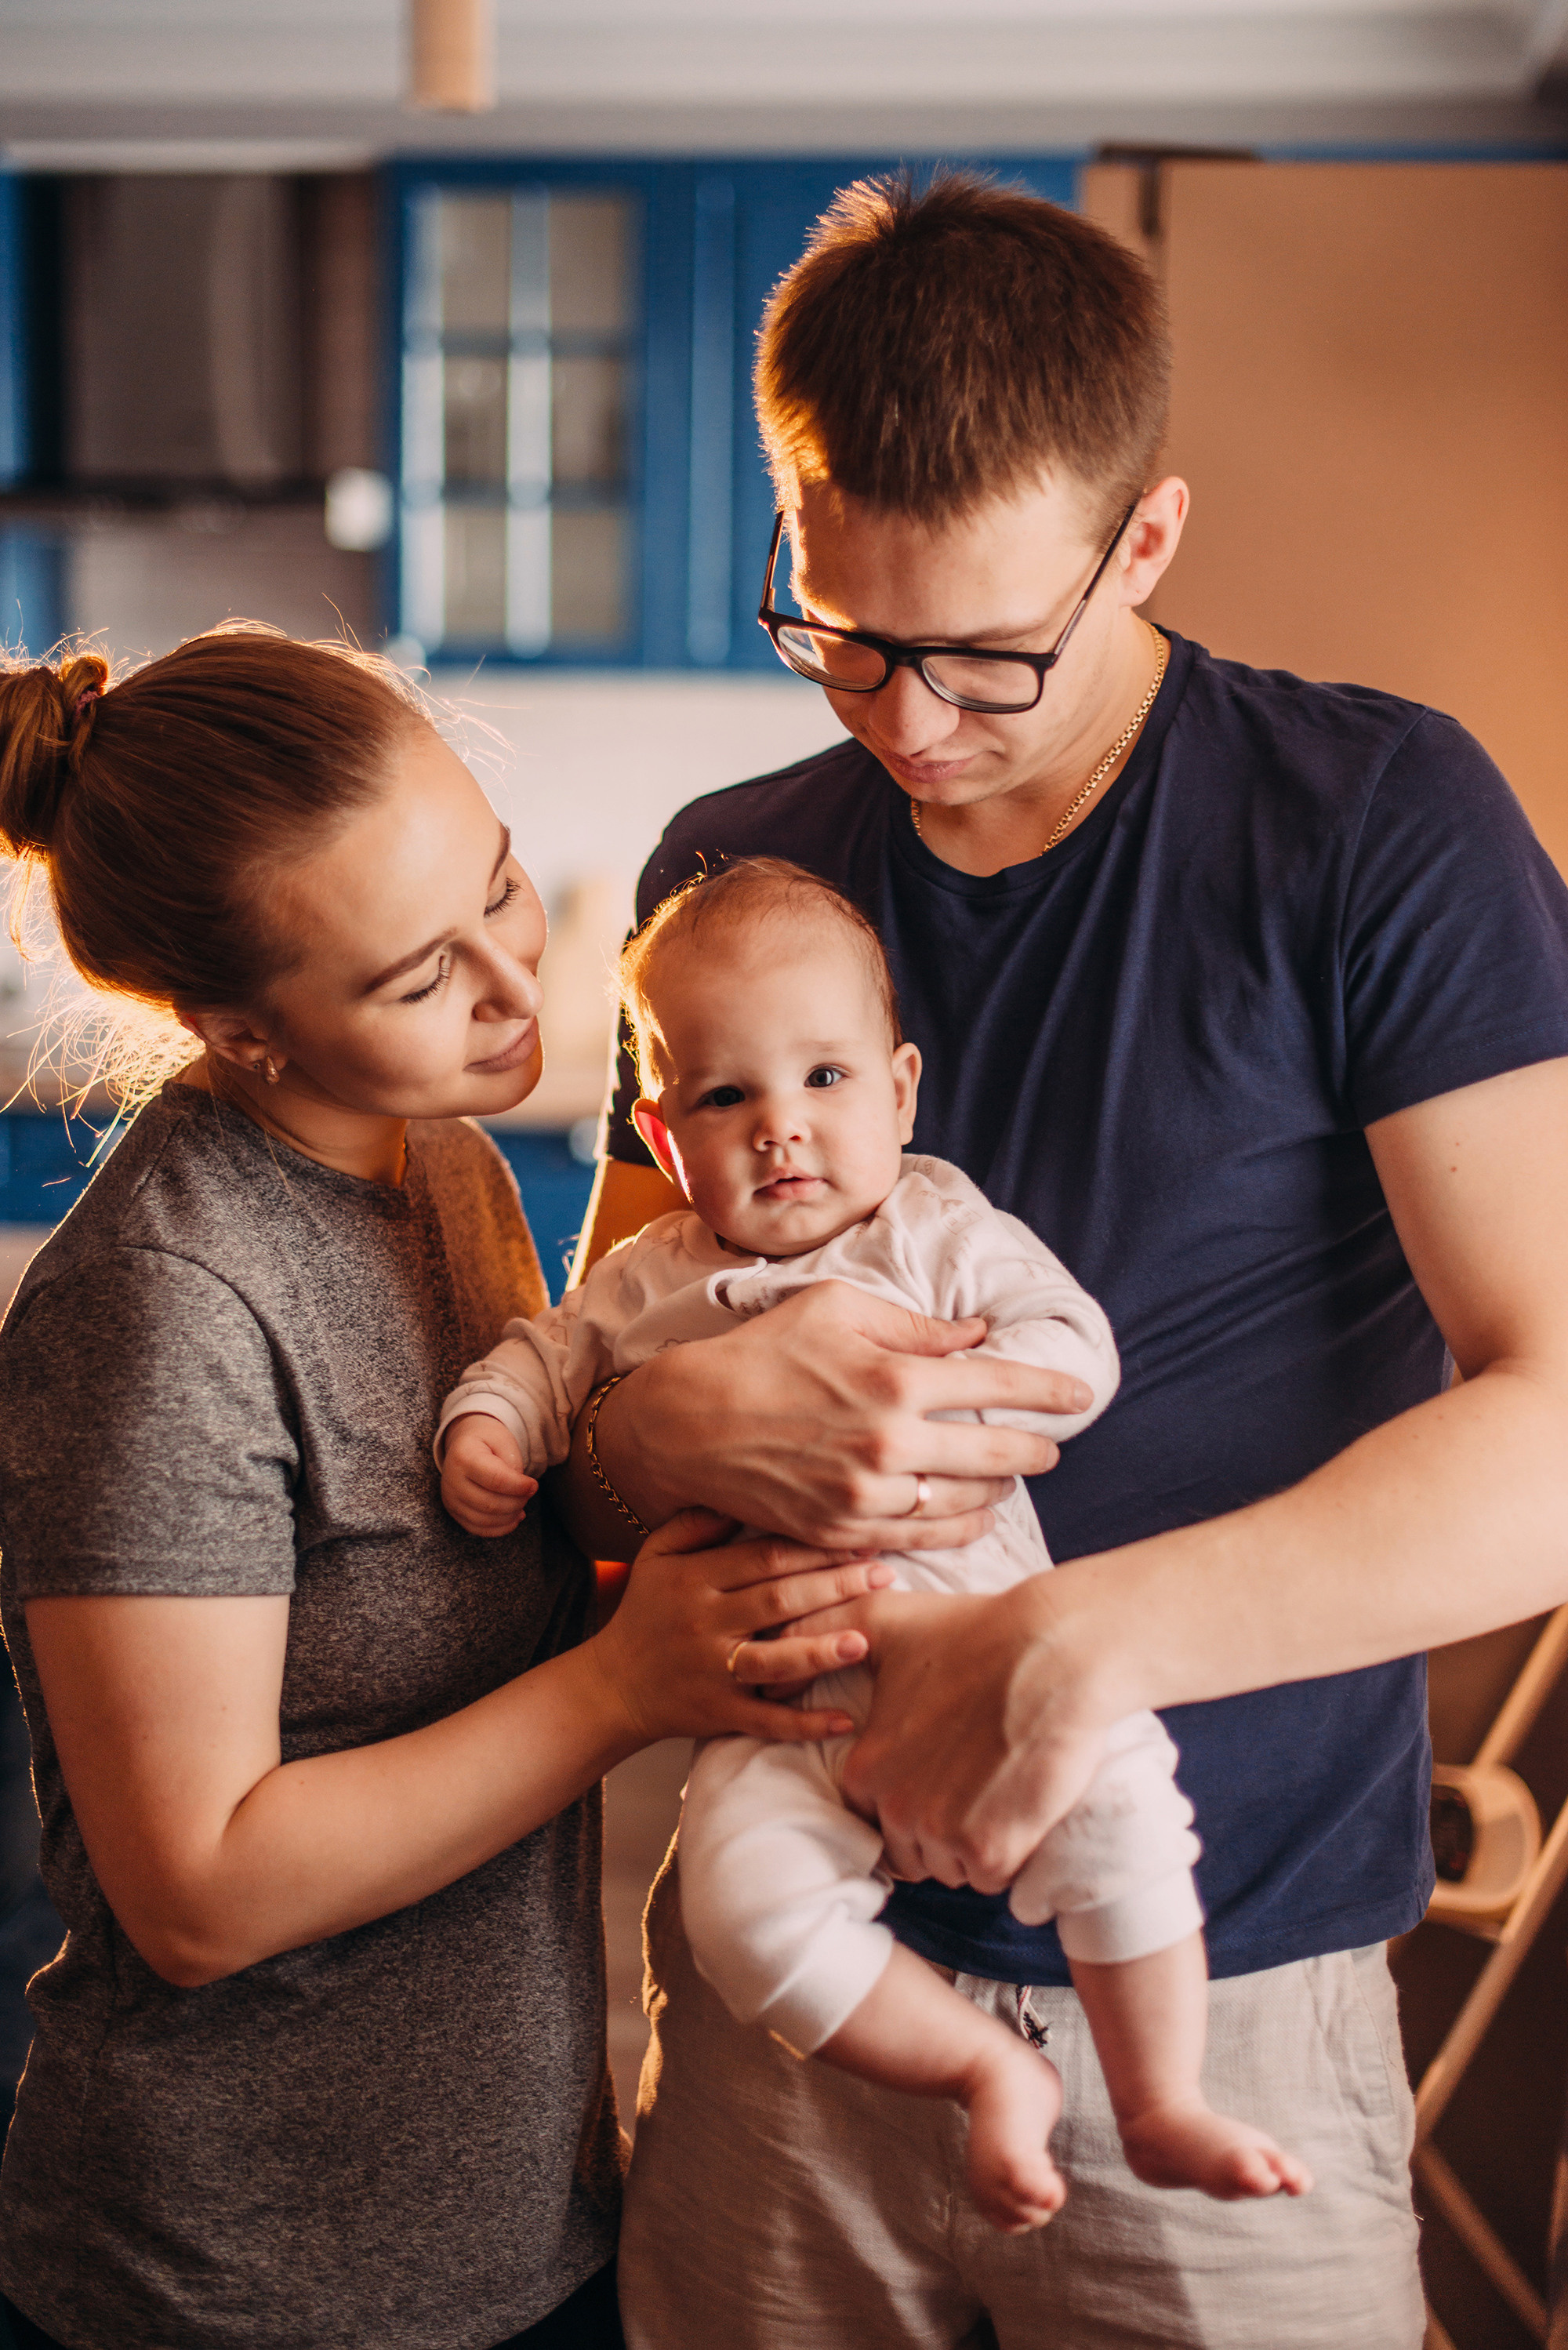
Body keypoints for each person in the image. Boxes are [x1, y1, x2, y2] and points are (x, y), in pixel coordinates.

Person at [552, 175, 1568, 2348]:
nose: (905, 723)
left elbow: (1554, 1423)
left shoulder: (1380, 823)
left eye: (985, 651)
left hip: (1216, 1987)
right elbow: (596, 1445)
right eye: (837, 630)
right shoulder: (726, 878)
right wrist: (648, 1429)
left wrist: (1076, 1639)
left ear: (1148, 541)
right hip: (784, 2008)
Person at [0, 631, 892, 2350]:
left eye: (501, 882)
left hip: (519, 2222)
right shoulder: (165, 1301)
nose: (511, 986)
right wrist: (628, 1685)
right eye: (422, 975)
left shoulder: (459, 1171)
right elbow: (198, 1890)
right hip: (233, 2287)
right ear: (241, 1032)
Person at [441, 854, 1310, 2232]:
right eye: (727, 1096)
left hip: (983, 1663)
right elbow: (547, 1366)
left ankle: (1159, 2097)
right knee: (740, 1907)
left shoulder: (935, 1231)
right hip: (776, 1717)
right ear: (663, 1138)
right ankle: (980, 2072)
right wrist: (490, 1423)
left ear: (901, 1091)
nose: (781, 1129)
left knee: (1128, 1802)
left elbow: (1071, 1350)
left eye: (825, 1081)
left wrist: (940, 1390)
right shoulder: (649, 1276)